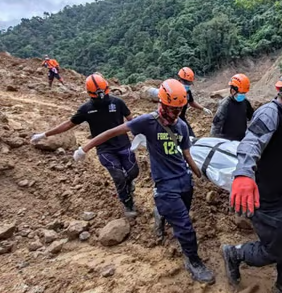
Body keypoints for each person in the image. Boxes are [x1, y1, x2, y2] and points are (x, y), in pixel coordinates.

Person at [72, 79, 215, 285]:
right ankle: (193, 261)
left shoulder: (181, 126)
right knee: (185, 226)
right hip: (165, 185)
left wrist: (198, 173)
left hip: (184, 180)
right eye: (172, 109)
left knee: (183, 211)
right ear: (162, 104)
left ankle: (161, 213)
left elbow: (186, 153)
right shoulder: (147, 122)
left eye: (179, 109)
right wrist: (84, 148)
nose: (175, 114)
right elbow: (111, 132)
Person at [221, 71, 282, 293]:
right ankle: (234, 253)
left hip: (281, 194)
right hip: (264, 198)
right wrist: (243, 174)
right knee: (275, 251)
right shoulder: (269, 113)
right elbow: (250, 143)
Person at [30, 74, 139, 217]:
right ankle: (128, 204)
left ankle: (129, 183)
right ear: (90, 94)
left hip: (124, 145)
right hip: (105, 149)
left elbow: (132, 120)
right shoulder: (86, 109)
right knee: (118, 176)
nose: (102, 98)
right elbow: (68, 124)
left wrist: (141, 134)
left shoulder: (118, 103)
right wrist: (45, 134)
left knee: (133, 172)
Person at [210, 73, 254, 141]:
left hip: (242, 139)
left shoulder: (245, 102)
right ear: (233, 91)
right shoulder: (225, 105)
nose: (243, 95)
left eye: (244, 93)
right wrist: (213, 141)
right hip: (228, 142)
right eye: (241, 93)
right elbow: (216, 126)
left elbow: (252, 117)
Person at [177, 67, 213, 137]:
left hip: (181, 118)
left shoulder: (187, 92)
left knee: (191, 137)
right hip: (171, 119)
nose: (187, 85)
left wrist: (203, 108)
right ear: (180, 80)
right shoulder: (173, 91)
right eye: (186, 82)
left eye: (189, 83)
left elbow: (191, 102)